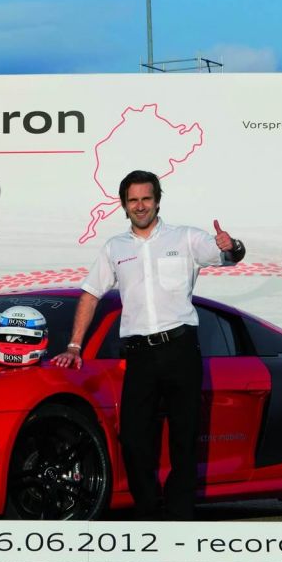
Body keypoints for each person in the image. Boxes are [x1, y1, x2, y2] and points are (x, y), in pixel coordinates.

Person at [52, 169, 245, 520]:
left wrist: (231, 246)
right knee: (133, 438)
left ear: (157, 201)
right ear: (124, 205)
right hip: (139, 355)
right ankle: (149, 512)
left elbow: (229, 255)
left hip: (180, 349)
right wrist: (75, 346)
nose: (140, 206)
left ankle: (180, 515)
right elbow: (91, 294)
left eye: (146, 198)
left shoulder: (185, 238)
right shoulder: (115, 248)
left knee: (184, 437)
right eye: (133, 200)